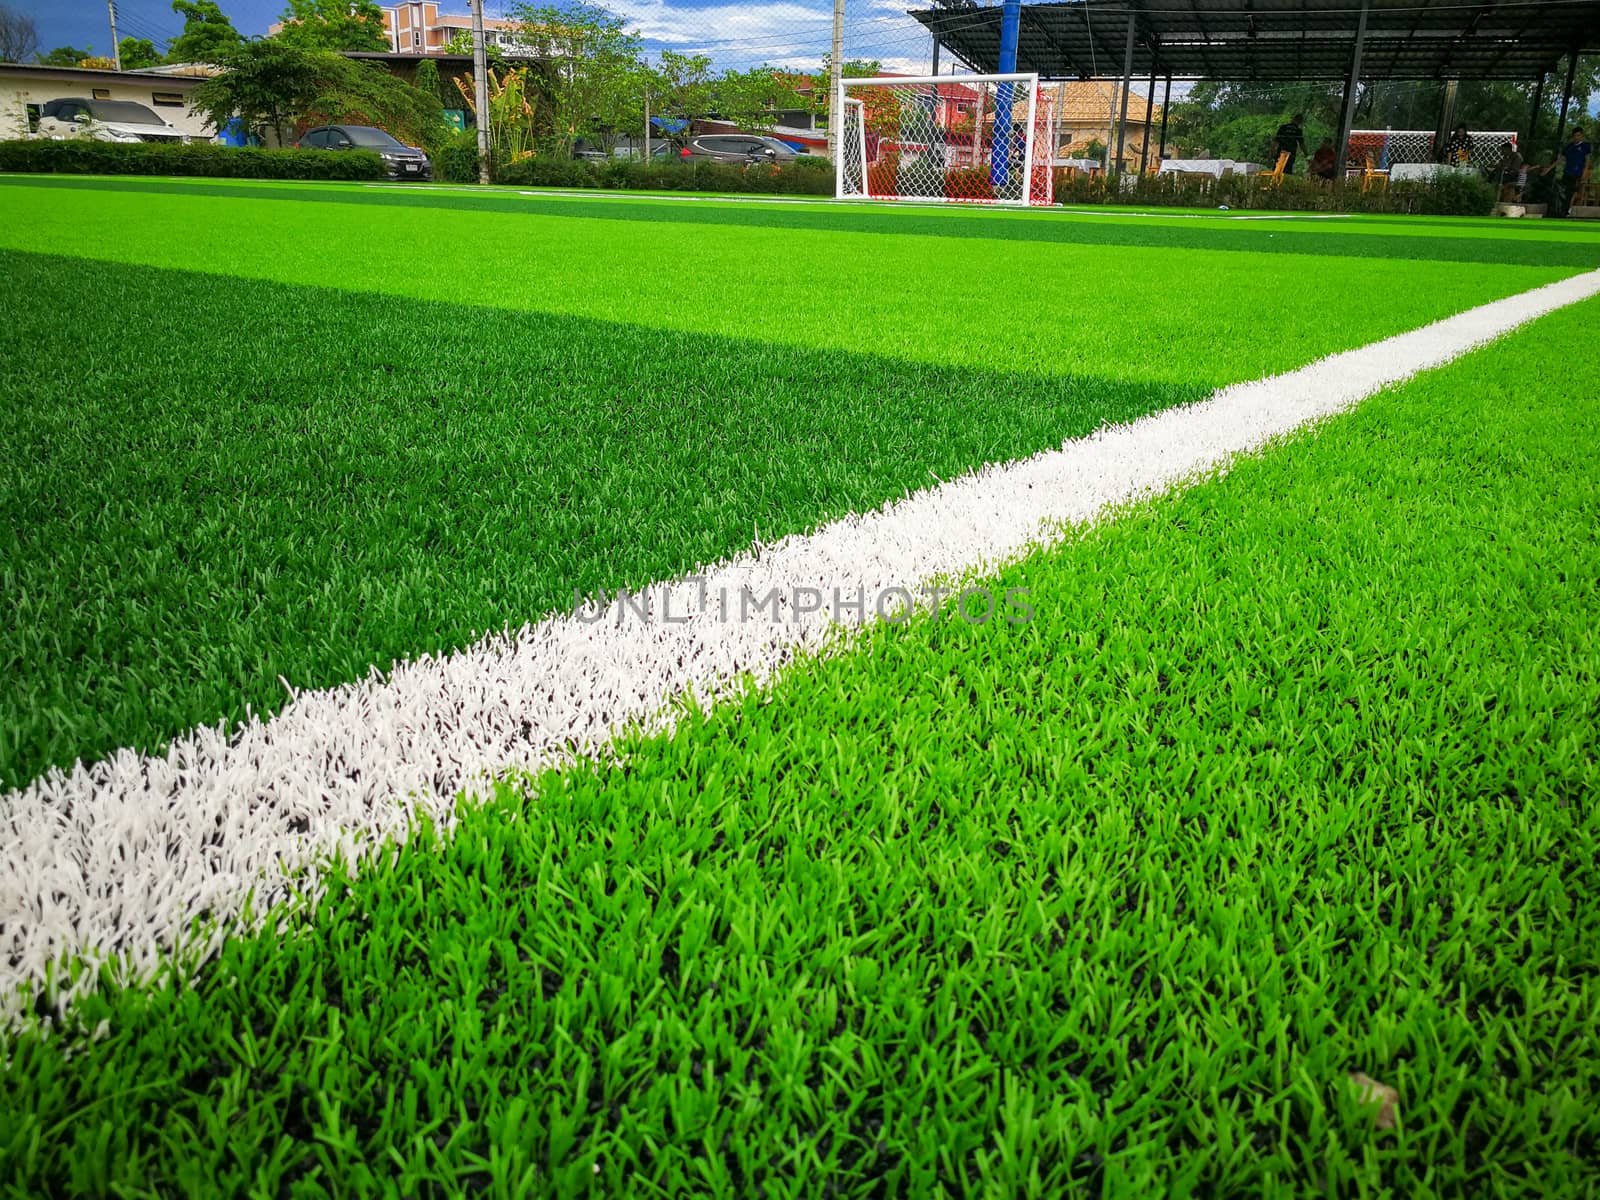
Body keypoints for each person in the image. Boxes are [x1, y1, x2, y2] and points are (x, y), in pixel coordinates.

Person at [1542, 127, 1593, 217]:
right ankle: (1562, 211)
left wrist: (1585, 172)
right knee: (1565, 192)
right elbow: (1560, 159)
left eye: (1578, 135)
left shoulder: (1586, 146)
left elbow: (1587, 161)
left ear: (1582, 136)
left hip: (1578, 173)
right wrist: (1549, 168)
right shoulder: (1569, 147)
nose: (1576, 138)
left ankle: (1568, 210)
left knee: (1573, 192)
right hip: (1567, 172)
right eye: (1575, 136)